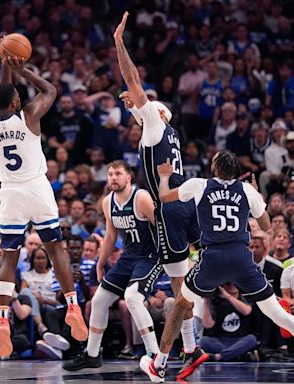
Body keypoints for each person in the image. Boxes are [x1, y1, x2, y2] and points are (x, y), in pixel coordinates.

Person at [141, 149, 294, 383]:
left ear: (215, 168)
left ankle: (159, 364)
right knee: (280, 315)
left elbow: (163, 197)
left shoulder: (199, 185)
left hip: (213, 258)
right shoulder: (246, 190)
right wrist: (257, 195)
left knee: (181, 303)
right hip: (242, 259)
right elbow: (266, 225)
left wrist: (163, 176)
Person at [0, 49, 87, 357]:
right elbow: (50, 90)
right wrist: (22, 70)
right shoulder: (28, 116)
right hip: (37, 189)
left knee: (9, 257)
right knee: (56, 250)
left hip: (10, 193)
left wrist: (4, 65)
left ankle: (1, 318)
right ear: (15, 102)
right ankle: (73, 306)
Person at [114, 13, 203, 378]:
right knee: (180, 285)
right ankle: (192, 347)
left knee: (179, 288)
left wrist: (119, 42)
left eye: (145, 106)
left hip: (169, 209)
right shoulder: (170, 134)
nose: (139, 106)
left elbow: (132, 79)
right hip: (184, 207)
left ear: (156, 112)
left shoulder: (154, 124)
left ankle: (163, 359)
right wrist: (134, 106)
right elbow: (136, 102)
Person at [63, 161, 162, 371]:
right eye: (110, 174)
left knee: (132, 297)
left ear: (128, 177)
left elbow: (163, 227)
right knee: (98, 300)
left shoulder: (141, 198)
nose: (113, 178)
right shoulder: (108, 202)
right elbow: (110, 235)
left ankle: (154, 356)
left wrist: (172, 256)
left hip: (150, 256)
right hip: (128, 256)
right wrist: (100, 263)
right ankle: (92, 354)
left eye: (118, 174)